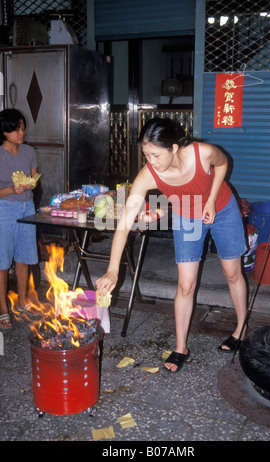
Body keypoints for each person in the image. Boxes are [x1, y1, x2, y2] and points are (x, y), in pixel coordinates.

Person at [96, 118, 248, 372]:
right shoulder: (148, 175)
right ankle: (180, 346)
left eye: (155, 154)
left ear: (174, 148)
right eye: (146, 155)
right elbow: (124, 222)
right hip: (188, 216)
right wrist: (113, 269)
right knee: (186, 283)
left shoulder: (202, 153)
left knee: (231, 272)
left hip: (221, 209)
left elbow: (222, 165)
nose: (151, 161)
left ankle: (241, 329)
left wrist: (210, 200)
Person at [0, 109, 39, 328]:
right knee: (2, 261)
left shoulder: (30, 151)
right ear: (4, 131)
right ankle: (3, 309)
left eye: (23, 127)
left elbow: (33, 177)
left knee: (23, 257)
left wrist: (32, 183)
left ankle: (22, 302)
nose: (21, 132)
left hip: (27, 207)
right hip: (4, 209)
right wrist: (10, 190)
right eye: (16, 128)